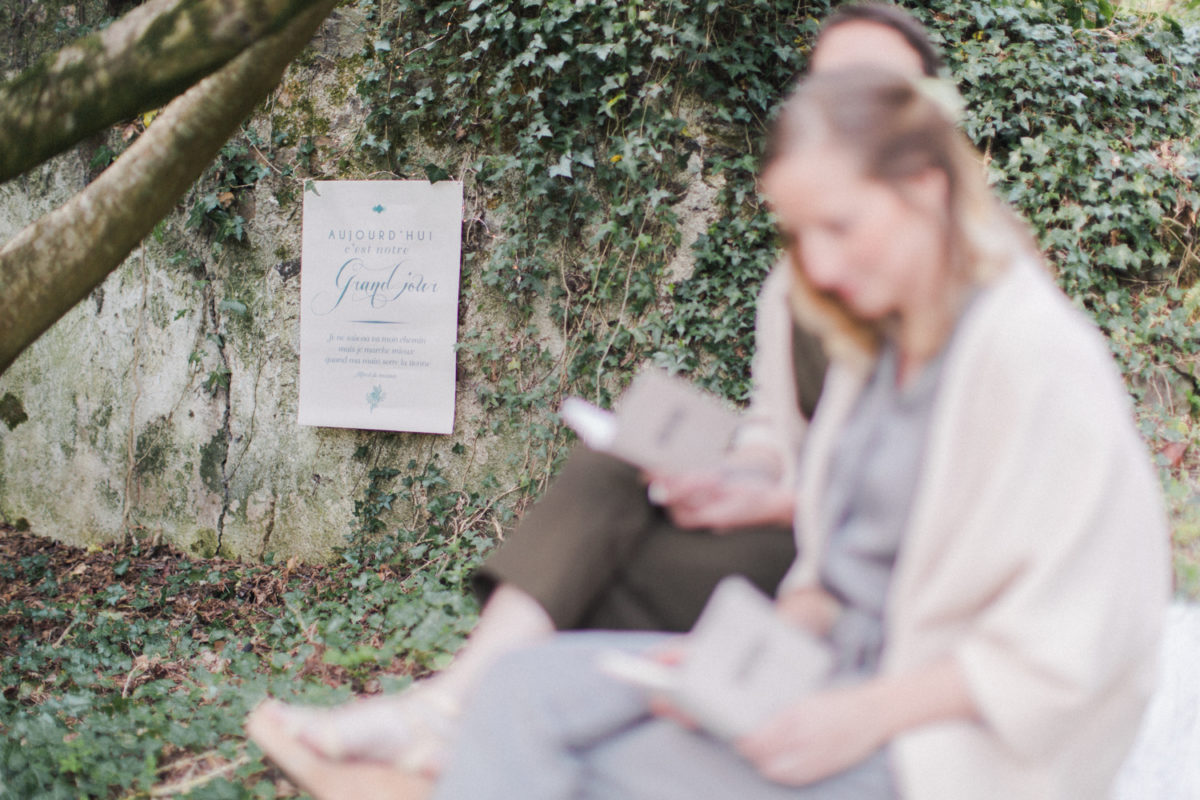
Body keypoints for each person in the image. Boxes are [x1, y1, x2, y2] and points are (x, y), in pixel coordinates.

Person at [403, 66, 1171, 800]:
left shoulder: (1034, 357)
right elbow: (829, 581)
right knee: (517, 688)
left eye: (840, 225)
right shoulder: (874, 353)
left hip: (948, 739)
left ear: (927, 189)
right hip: (826, 676)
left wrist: (859, 715)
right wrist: (732, 672)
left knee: (588, 768)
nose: (820, 267)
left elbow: (1083, 639)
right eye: (800, 235)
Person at [249, 4, 951, 778]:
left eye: (876, 91)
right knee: (613, 467)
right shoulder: (798, 280)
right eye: (830, 88)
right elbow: (771, 432)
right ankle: (449, 711)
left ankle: (462, 724)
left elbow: (932, 506)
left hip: (868, 577)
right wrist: (733, 480)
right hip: (797, 542)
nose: (849, 113)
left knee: (611, 571)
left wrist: (782, 503)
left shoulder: (970, 296)